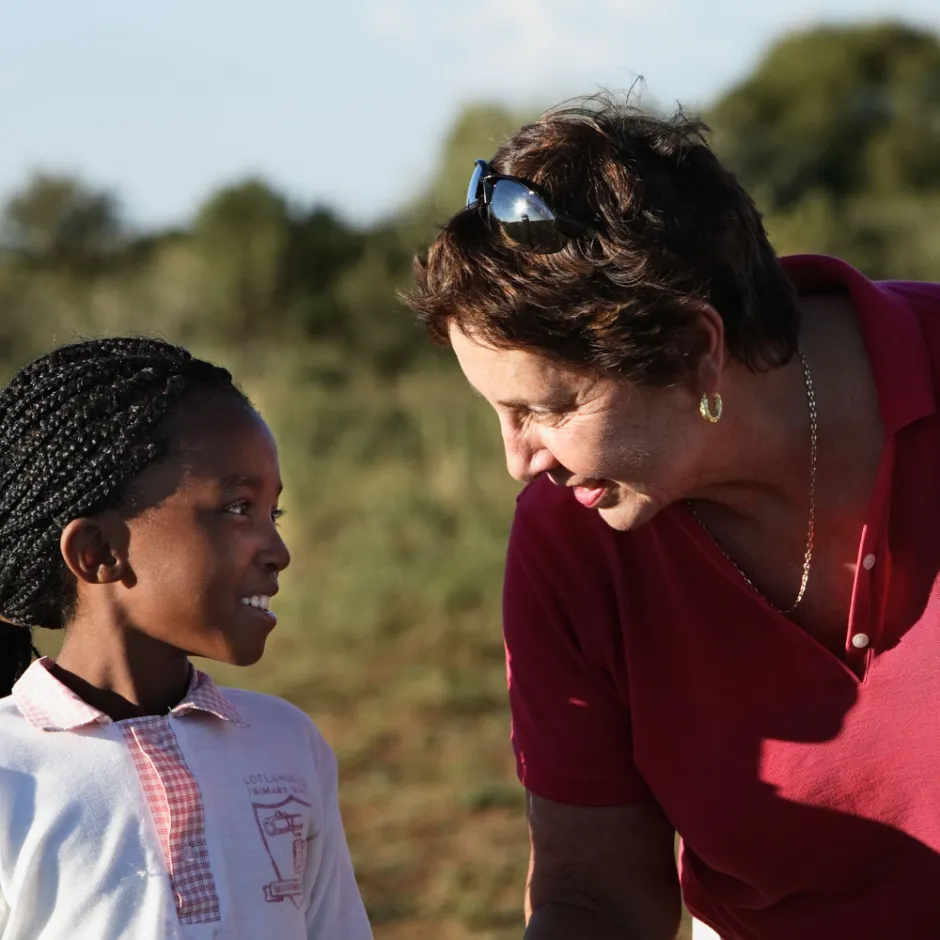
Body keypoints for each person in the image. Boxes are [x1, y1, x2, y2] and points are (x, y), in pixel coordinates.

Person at [405, 94, 940, 939]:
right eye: (498, 414)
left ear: (697, 350)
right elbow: (597, 897)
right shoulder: (569, 535)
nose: (520, 459)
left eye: (547, 408)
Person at [0, 337, 373, 940]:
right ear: (98, 553)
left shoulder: (288, 745)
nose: (277, 551)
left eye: (272, 513)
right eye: (236, 508)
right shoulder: (11, 770)